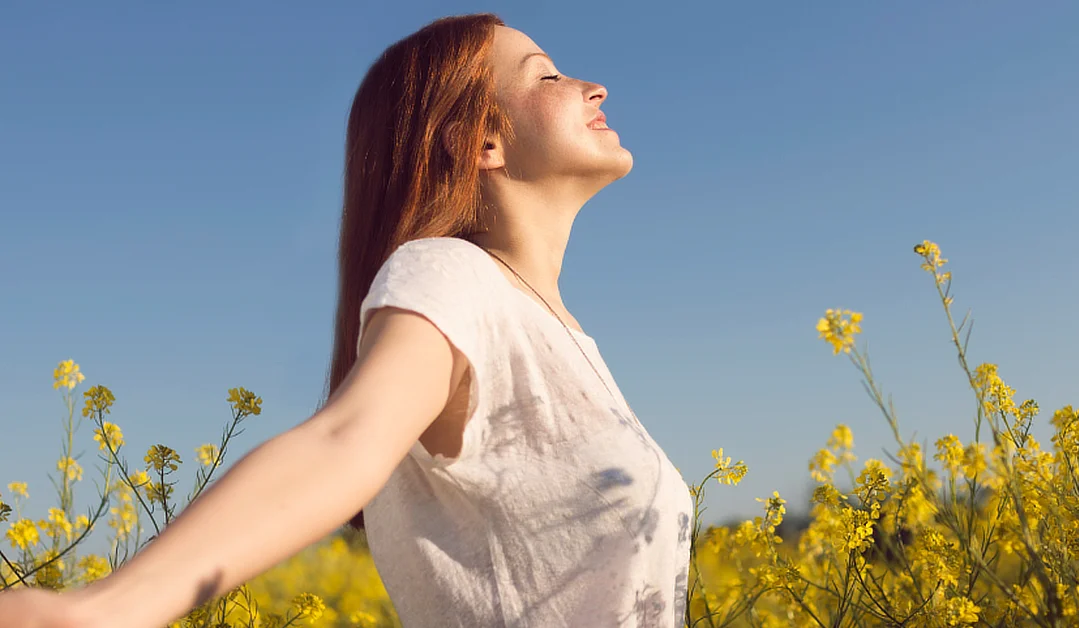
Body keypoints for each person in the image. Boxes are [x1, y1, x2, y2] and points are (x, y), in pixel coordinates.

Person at [0, 12, 693, 628]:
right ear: (482, 140)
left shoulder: (560, 333)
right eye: (548, 76)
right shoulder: (451, 276)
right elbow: (345, 440)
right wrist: (106, 609)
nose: (593, 86)